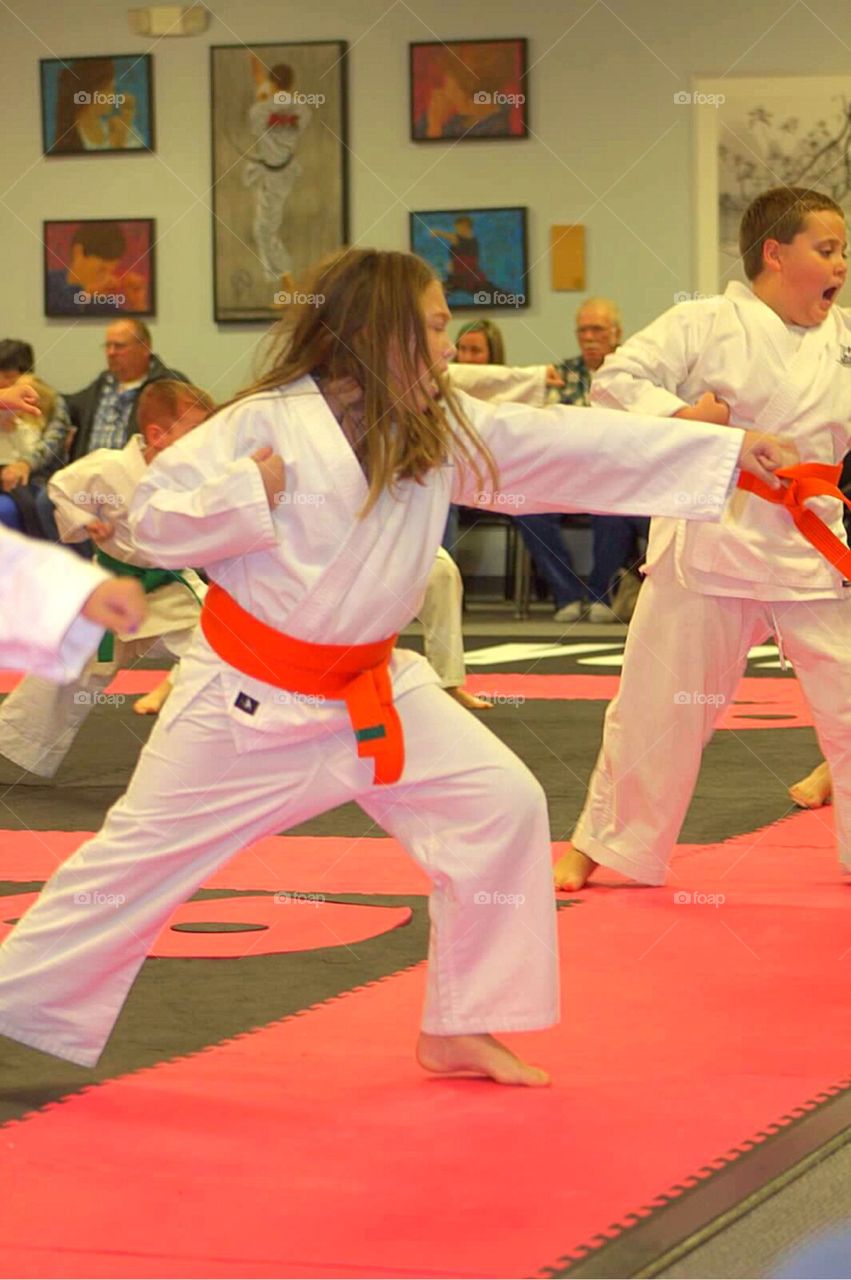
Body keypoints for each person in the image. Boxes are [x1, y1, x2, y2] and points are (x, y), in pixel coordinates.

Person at [0, 247, 793, 1085]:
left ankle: (463, 1024)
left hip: (372, 692)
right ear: (380, 332)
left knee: (500, 805)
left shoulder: (432, 423)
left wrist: (723, 450)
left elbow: (561, 443)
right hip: (244, 699)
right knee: (130, 868)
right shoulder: (262, 423)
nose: (449, 345)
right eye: (435, 327)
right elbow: (154, 521)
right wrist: (245, 493)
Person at [554, 185, 851, 893]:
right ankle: (605, 845)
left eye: (842, 251)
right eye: (827, 250)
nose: (841, 265)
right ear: (775, 254)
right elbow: (614, 382)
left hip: (810, 542)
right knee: (657, 706)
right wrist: (687, 419)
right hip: (711, 535)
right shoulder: (704, 321)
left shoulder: (843, 337)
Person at [0, 381, 212, 780]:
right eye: (197, 430)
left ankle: (212, 751)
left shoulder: (202, 474)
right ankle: (15, 740)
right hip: (113, 588)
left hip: (171, 588)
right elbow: (61, 490)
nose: (207, 440)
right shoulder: (108, 466)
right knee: (68, 664)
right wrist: (85, 522)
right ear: (157, 434)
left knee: (222, 647)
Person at [243, 55, 312, 284]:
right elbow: (287, 110)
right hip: (284, 168)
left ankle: (287, 281)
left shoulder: (259, 110)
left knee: (264, 230)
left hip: (274, 173)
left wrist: (264, 96)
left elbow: (259, 123)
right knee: (264, 226)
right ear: (292, 84)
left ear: (272, 84)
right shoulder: (302, 110)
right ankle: (281, 279)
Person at [0, 340, 74, 534]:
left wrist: (26, 463)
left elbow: (52, 444)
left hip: (36, 478)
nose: (2, 383)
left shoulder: (50, 401)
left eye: (8, 377)